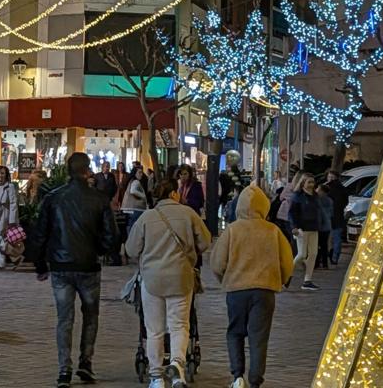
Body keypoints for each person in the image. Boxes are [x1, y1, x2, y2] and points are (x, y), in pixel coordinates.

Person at [31, 152, 118, 388]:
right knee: (90, 315)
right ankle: (85, 361)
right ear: (87, 170)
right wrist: (99, 249)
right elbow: (111, 235)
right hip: (88, 265)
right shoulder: (99, 199)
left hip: (61, 265)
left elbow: (40, 233)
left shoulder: (54, 198)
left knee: (64, 318)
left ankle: (64, 368)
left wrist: (40, 264)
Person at [126, 178, 211, 388]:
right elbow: (205, 241)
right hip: (181, 277)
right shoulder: (188, 214)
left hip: (152, 280)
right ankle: (177, 366)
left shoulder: (146, 217)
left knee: (154, 330)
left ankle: (156, 377)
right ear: (174, 194)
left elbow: (131, 249)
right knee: (179, 325)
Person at [211, 185, 294, 388]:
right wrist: (282, 279)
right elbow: (287, 262)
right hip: (265, 290)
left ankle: (237, 376)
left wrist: (225, 279)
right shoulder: (273, 231)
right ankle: (256, 380)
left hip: (236, 289)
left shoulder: (232, 230)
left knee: (235, 332)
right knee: (259, 337)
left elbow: (217, 263)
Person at [288, 173, 322, 291]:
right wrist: (294, 227)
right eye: (309, 182)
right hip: (301, 228)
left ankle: (307, 280)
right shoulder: (298, 196)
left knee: (313, 254)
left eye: (313, 182)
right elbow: (292, 212)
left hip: (314, 227)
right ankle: (287, 274)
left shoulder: (315, 196)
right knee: (302, 254)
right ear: (303, 183)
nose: (311, 184)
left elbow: (318, 211)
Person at [321, 170, 349, 266]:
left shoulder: (326, 188)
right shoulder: (342, 188)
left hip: (328, 217)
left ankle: (326, 257)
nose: (330, 179)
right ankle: (334, 257)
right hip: (338, 216)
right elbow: (346, 202)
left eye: (331, 177)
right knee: (337, 238)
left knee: (327, 238)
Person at [121, 163, 150, 235]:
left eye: (142, 172)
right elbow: (133, 191)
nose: (141, 174)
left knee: (130, 226)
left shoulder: (131, 181)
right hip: (136, 209)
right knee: (134, 228)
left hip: (130, 209)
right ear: (135, 173)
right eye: (139, 172)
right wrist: (143, 196)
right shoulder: (136, 181)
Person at [315, 185, 333, 270]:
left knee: (317, 245)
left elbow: (319, 213)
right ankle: (325, 263)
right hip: (327, 226)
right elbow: (331, 213)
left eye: (318, 189)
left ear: (322, 191)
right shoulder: (330, 201)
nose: (316, 190)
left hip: (320, 226)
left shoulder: (318, 200)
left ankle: (317, 263)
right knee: (324, 245)